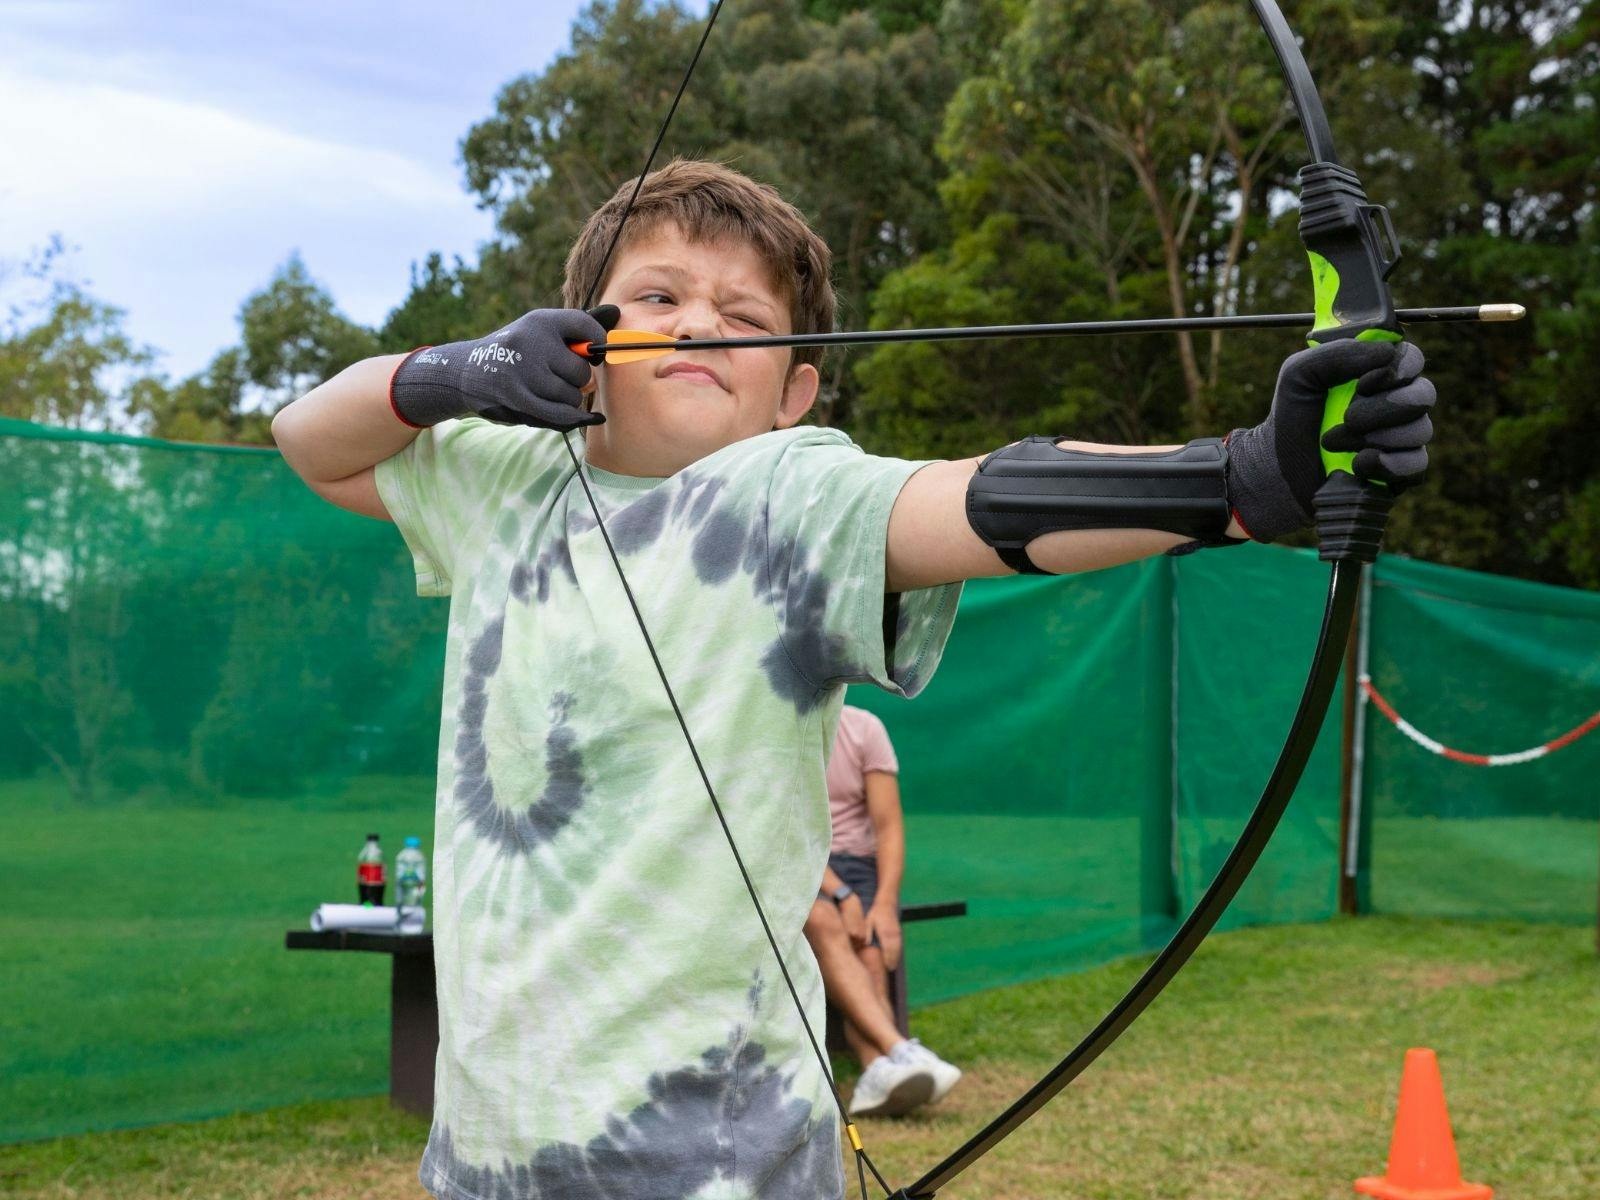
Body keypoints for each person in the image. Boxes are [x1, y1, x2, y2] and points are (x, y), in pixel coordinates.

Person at [271, 158, 1435, 1200]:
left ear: (794, 393)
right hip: (486, 1149)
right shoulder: (501, 479)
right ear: (580, 339)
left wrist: (1245, 478)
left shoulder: (790, 493)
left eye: (744, 316)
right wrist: (446, 373)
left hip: (716, 1159)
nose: (696, 327)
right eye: (658, 296)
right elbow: (310, 440)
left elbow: (985, 502)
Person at [805, 705, 961, 1117]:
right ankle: (900, 1051)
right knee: (823, 921)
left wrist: (885, 906)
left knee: (872, 951)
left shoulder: (864, 727)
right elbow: (785, 830)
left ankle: (879, 1072)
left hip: (859, 865)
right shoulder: (780, 729)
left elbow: (888, 825)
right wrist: (841, 896)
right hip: (802, 861)